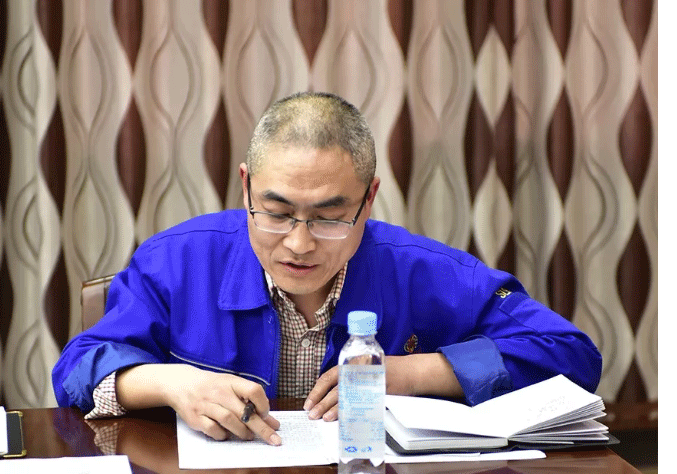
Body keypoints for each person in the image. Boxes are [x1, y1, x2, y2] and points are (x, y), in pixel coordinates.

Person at [52, 92, 602, 446]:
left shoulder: (423, 271)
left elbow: (572, 356)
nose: (298, 243)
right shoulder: (176, 262)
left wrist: (417, 374)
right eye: (275, 212)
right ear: (245, 186)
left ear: (369, 198)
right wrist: (171, 383)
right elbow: (76, 369)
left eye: (330, 218)